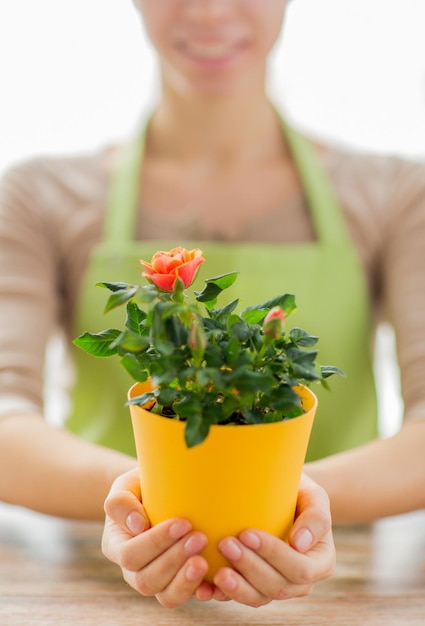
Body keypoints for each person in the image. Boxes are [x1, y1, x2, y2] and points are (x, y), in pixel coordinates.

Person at [0, 0, 424, 609]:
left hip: (344, 587)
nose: (208, 11)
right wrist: (139, 504)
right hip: (96, 586)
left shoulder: (395, 193)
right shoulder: (42, 194)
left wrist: (288, 506)